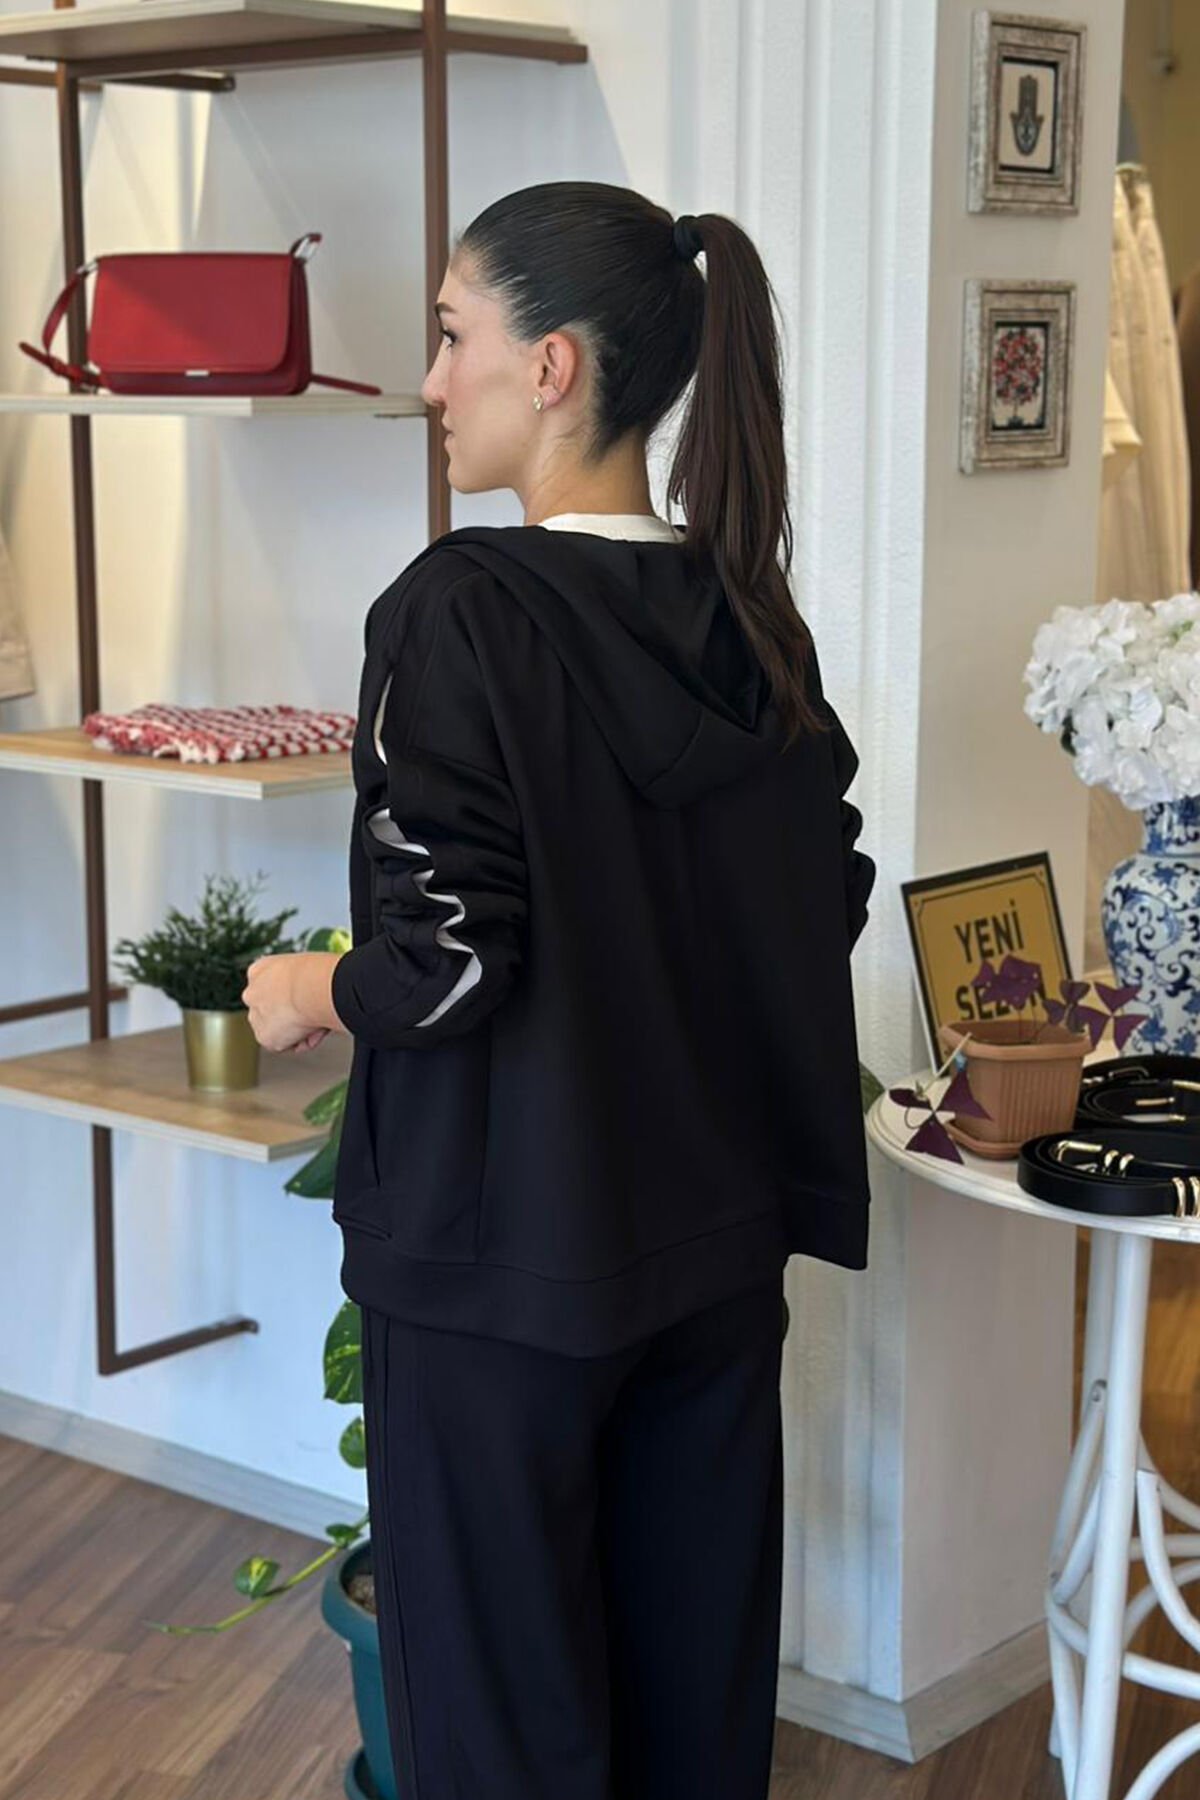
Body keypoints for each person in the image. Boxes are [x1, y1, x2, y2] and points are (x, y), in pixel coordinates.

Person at [242, 179, 876, 1800]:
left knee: (503, 1732)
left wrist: (307, 987)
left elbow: (449, 960)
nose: (431, 380)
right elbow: (825, 896)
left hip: (497, 1277)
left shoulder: (462, 613)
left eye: (453, 336)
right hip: (715, 1260)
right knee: (693, 1711)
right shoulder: (752, 621)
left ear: (555, 366)